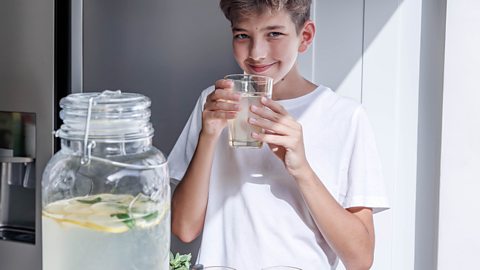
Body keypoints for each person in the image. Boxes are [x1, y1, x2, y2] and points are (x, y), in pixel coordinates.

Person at [168, 0, 389, 269]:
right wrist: (208, 136)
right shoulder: (213, 104)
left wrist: (302, 169)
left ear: (304, 37)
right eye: (242, 35)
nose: (257, 53)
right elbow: (184, 228)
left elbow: (360, 259)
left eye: (274, 34)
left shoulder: (345, 116)